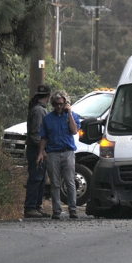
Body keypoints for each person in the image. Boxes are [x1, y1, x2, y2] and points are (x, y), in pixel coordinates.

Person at [37, 90, 81, 219]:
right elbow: (44, 137)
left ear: (66, 103)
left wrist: (70, 113)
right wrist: (41, 152)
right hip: (52, 153)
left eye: (61, 104)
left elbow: (74, 131)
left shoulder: (72, 116)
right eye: (56, 104)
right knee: (55, 183)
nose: (59, 107)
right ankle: (57, 210)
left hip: (68, 152)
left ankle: (73, 209)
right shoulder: (48, 118)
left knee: (70, 182)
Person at [24, 84, 52, 218]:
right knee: (36, 178)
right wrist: (42, 149)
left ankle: (37, 206)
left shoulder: (39, 109)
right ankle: (30, 207)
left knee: (40, 178)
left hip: (38, 149)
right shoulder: (39, 111)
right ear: (49, 95)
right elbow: (35, 134)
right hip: (36, 150)